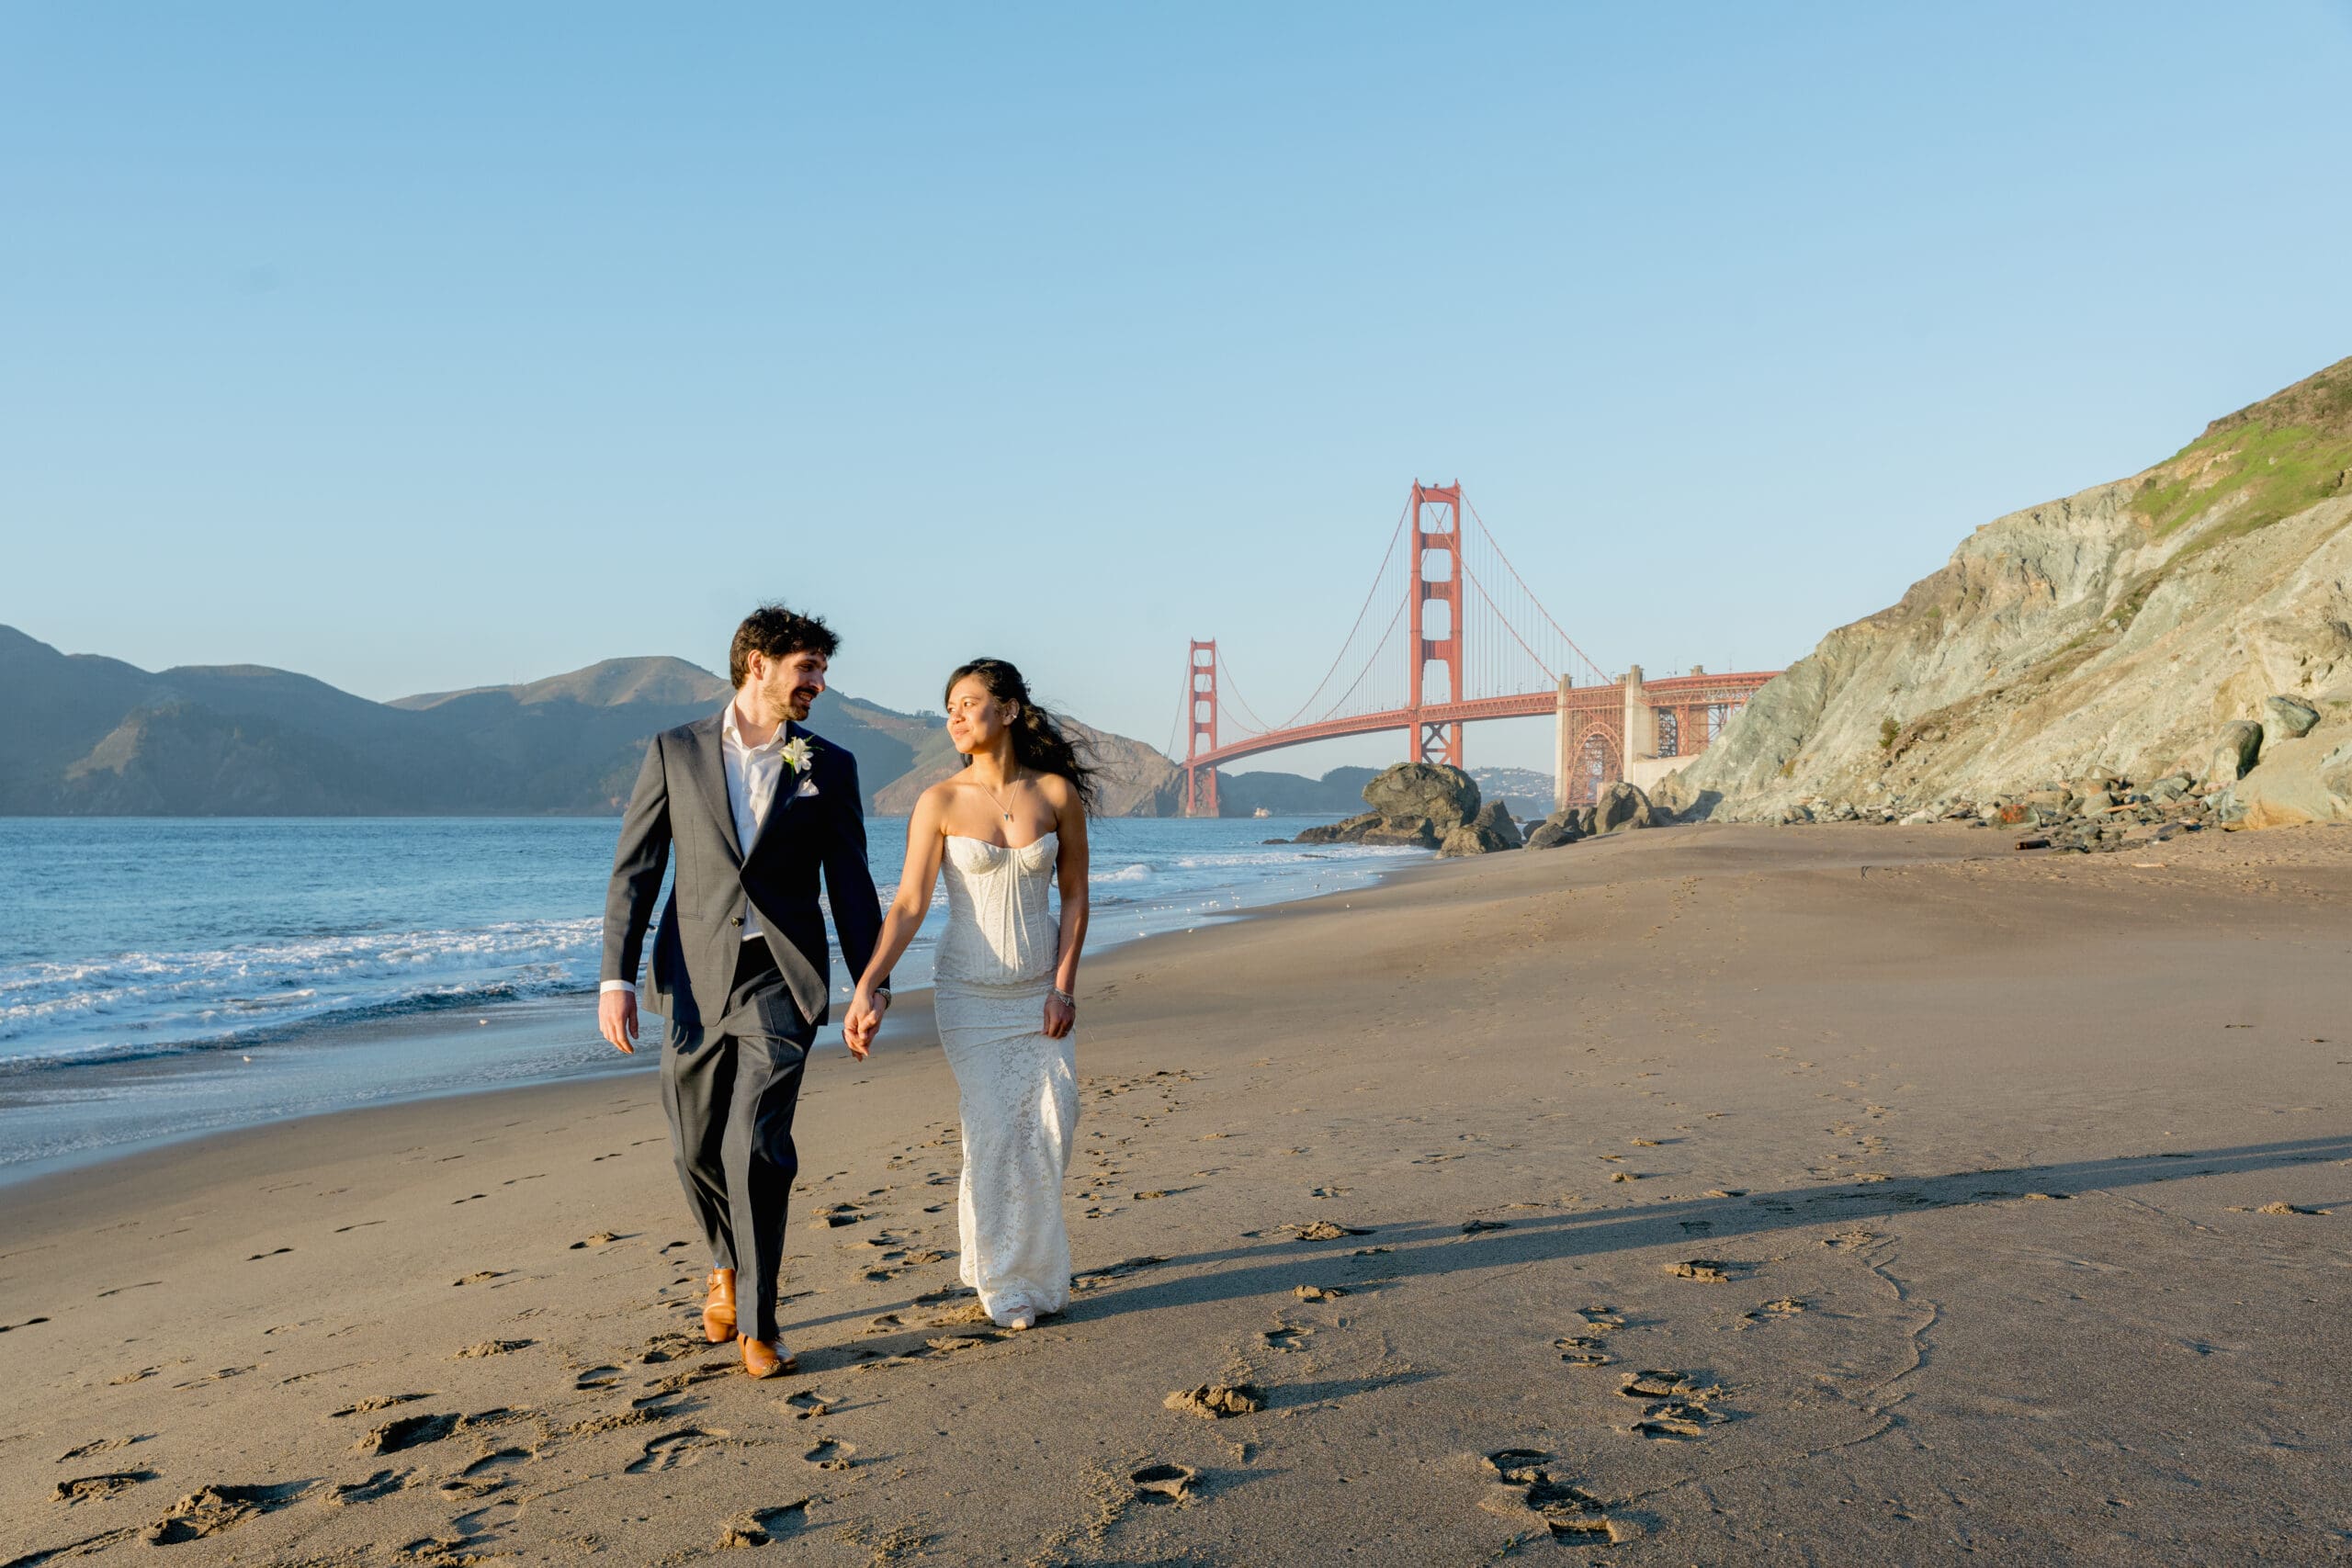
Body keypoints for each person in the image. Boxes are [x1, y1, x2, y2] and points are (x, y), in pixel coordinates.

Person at [598, 604, 888, 1378]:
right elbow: (637, 869)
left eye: (822, 671)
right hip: (692, 979)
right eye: (808, 669)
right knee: (694, 1143)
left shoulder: (828, 763)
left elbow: (852, 883)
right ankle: (725, 1264)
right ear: (757, 663)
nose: (819, 685)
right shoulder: (676, 750)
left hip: (778, 974)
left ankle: (759, 1320)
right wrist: (615, 977)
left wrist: (871, 981)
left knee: (755, 1141)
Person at [842, 658, 1092, 1331]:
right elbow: (909, 902)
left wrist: (1063, 987)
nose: (954, 716)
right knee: (992, 1128)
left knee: (1047, 1127)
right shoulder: (939, 801)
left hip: (1039, 987)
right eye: (949, 706)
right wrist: (869, 981)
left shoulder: (1056, 796)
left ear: (1007, 710)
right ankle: (1005, 1281)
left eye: (969, 702)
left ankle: (1025, 1266)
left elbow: (1074, 898)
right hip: (969, 994)